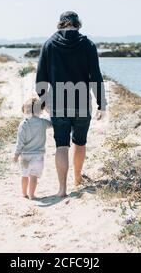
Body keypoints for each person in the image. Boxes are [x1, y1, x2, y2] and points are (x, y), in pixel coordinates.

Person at [36, 11, 106, 197]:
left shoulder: (49, 44)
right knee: (80, 143)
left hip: (58, 103)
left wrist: (43, 100)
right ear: (78, 23)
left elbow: (40, 77)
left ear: (61, 23)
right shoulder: (88, 44)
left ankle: (62, 189)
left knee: (61, 146)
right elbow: (96, 77)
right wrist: (101, 103)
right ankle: (77, 179)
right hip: (82, 103)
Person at [13, 98, 52, 200]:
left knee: (24, 175)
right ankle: (32, 195)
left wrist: (16, 155)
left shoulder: (23, 124)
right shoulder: (43, 123)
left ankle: (24, 193)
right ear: (40, 110)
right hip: (38, 156)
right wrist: (49, 111)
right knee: (33, 176)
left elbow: (20, 142)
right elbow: (52, 123)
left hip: (25, 156)